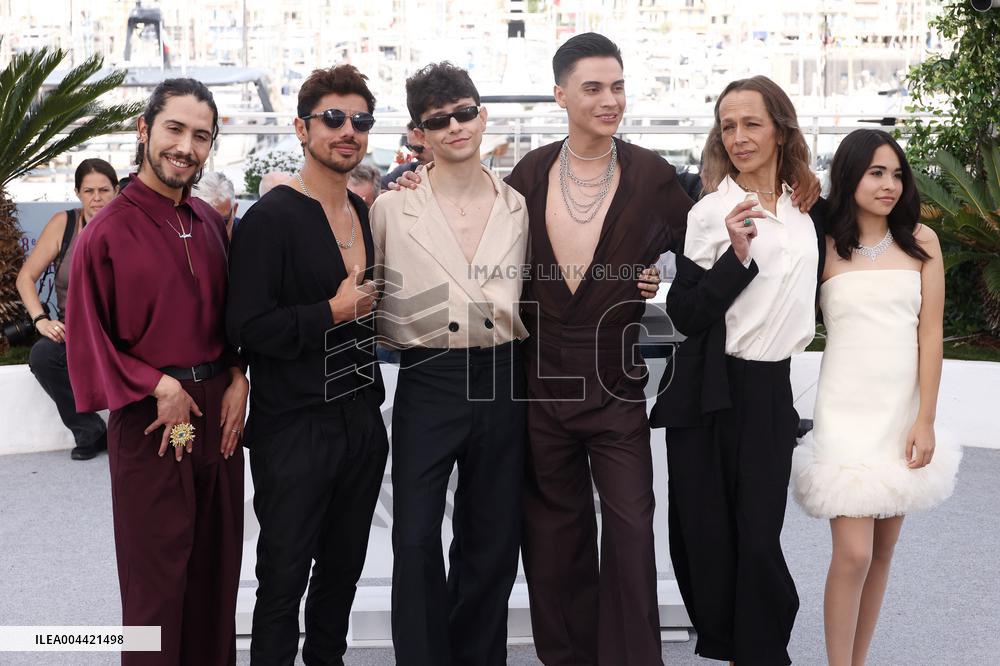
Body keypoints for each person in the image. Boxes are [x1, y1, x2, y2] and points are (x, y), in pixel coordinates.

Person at [66, 78, 247, 666]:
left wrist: (240, 375)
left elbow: (233, 318)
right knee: (155, 585)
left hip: (216, 419)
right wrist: (156, 384)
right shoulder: (106, 231)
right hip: (153, 424)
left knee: (217, 573)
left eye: (201, 136)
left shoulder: (207, 221)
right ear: (144, 130)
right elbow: (87, 339)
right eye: (175, 129)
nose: (186, 147)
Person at [650, 75, 826, 665]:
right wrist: (736, 257)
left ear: (780, 127)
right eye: (728, 126)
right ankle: (751, 650)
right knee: (708, 535)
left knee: (759, 536)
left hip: (772, 389)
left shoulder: (807, 209)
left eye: (751, 123)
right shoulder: (710, 212)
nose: (739, 136)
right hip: (713, 386)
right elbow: (687, 312)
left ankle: (759, 642)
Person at [226, 64, 388, 665]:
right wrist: (331, 310)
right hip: (294, 427)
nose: (348, 130)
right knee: (282, 585)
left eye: (360, 120)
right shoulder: (270, 219)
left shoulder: (364, 213)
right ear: (301, 128)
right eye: (333, 118)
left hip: (360, 423)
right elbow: (244, 327)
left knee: (342, 577)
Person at [371, 62, 528, 666]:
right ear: (419, 133)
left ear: (482, 115)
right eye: (439, 120)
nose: (456, 126)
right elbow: (366, 289)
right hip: (427, 377)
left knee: (490, 541)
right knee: (414, 538)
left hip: (502, 376)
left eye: (465, 112)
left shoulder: (519, 207)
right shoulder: (391, 207)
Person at [791, 129, 961, 666]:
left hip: (901, 411)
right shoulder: (822, 244)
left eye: (896, 173)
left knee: (883, 551)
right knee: (854, 553)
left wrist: (926, 419)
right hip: (843, 413)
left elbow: (929, 335)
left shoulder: (922, 243)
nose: (888, 184)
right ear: (849, 177)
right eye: (875, 172)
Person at [16, 159, 117, 460]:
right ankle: (90, 431)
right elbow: (25, 277)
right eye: (88, 191)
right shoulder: (65, 223)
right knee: (43, 356)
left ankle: (130, 432)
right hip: (75, 331)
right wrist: (41, 321)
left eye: (103, 190)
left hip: (119, 332)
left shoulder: (127, 225)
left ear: (116, 191)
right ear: (77, 192)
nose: (96, 198)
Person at [380, 120, 434, 190]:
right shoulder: (407, 170)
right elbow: (375, 186)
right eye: (410, 147)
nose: (414, 154)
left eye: (418, 149)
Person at [193, 171, 239, 237]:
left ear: (234, 210)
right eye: (205, 222)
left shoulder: (248, 235)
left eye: (222, 222)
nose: (214, 231)